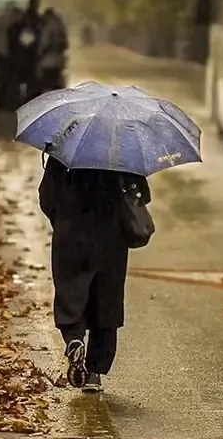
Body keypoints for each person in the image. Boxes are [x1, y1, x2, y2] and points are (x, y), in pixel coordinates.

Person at [38, 153, 151, 393]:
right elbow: (141, 195)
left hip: (71, 233)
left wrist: (63, 221)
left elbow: (47, 198)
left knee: (70, 292)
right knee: (106, 300)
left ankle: (74, 339)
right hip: (112, 237)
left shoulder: (64, 152)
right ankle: (94, 373)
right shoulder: (124, 152)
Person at [7, 0, 43, 102]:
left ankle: (27, 97)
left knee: (29, 78)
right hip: (25, 53)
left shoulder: (35, 18)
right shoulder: (26, 19)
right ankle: (23, 97)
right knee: (23, 77)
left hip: (30, 54)